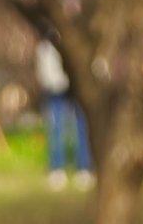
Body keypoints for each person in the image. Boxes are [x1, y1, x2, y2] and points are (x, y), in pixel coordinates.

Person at [35, 34, 92, 191]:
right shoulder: (48, 37)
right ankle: (57, 168)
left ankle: (84, 167)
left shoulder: (77, 31)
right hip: (55, 88)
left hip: (77, 85)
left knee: (82, 127)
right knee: (56, 129)